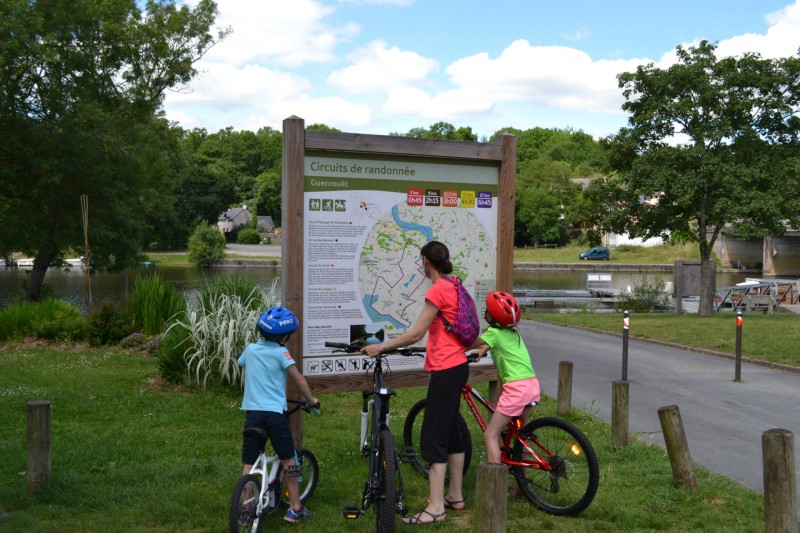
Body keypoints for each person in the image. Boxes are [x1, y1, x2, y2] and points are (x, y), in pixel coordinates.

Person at [362, 240, 468, 525]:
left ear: (425, 261)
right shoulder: (455, 284)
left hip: (446, 369)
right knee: (452, 431)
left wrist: (381, 347)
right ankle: (455, 495)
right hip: (459, 365)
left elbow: (416, 334)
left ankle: (435, 508)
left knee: (434, 436)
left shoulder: (437, 290)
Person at [237, 305, 319, 524]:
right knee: (289, 461)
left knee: (249, 463)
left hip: (253, 414)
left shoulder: (251, 349)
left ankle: (244, 510)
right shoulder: (281, 353)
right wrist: (312, 401)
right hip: (274, 414)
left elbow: (241, 362)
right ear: (284, 336)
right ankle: (295, 508)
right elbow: (298, 379)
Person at [466, 291, 540, 464]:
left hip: (516, 390)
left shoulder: (493, 333)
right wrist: (483, 351)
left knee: (490, 435)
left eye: (487, 311)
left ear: (493, 318)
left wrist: (453, 343)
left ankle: (494, 487)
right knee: (520, 437)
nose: (485, 313)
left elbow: (470, 343)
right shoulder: (514, 333)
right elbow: (498, 344)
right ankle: (522, 486)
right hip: (532, 385)